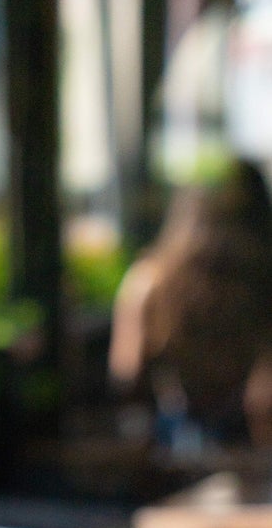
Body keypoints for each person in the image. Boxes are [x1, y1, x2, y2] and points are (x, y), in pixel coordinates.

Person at [110, 159, 272, 449]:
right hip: (256, 449)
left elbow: (127, 375)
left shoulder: (149, 281)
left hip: (178, 447)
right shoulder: (261, 280)